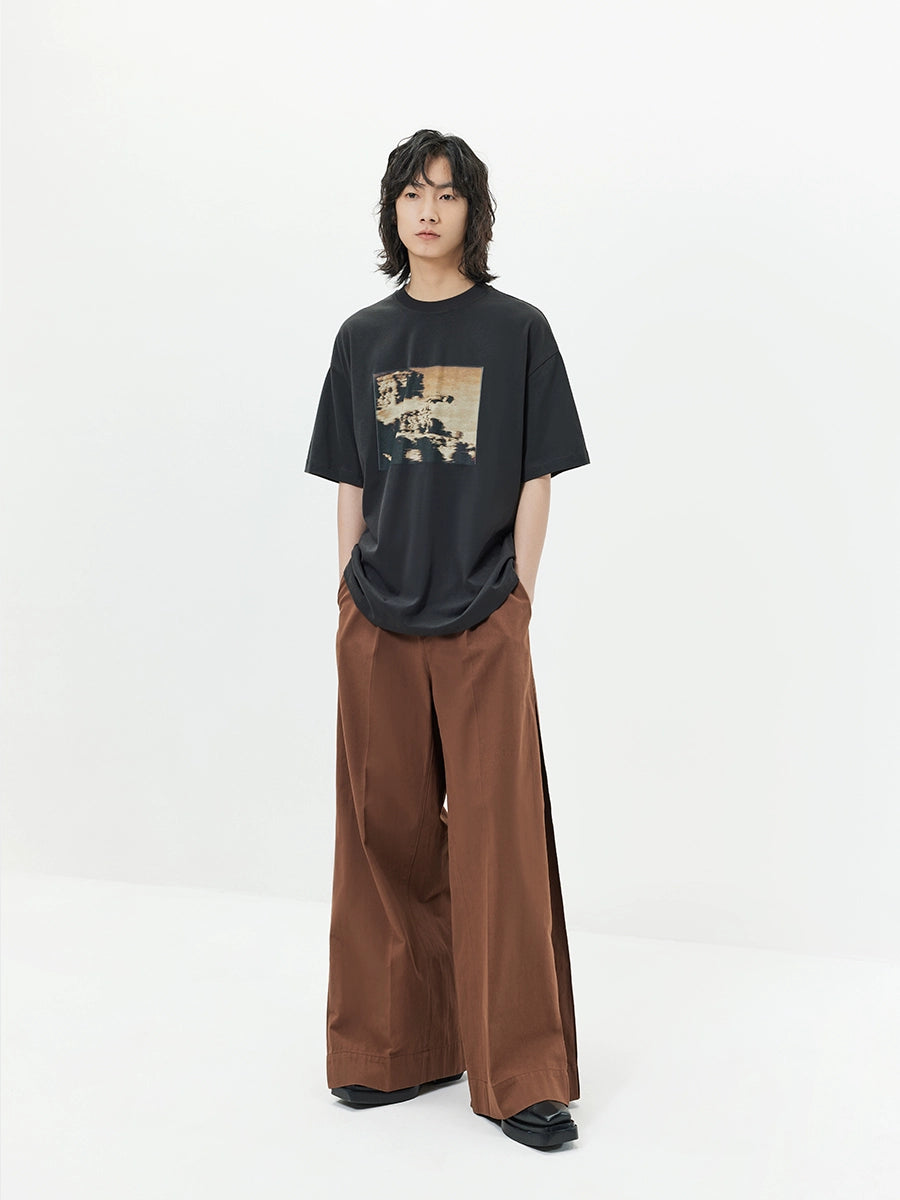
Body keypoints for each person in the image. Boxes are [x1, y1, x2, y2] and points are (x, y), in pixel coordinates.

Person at [304, 129, 590, 1150]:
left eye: (448, 193)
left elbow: (537, 475)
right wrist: (348, 590)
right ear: (393, 212)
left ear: (474, 211)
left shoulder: (518, 331)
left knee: (498, 842)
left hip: (482, 615)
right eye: (413, 194)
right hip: (377, 616)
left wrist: (519, 599)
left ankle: (521, 1075)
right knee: (381, 835)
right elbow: (351, 477)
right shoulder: (362, 338)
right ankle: (394, 1051)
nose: (429, 211)